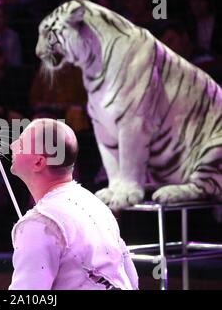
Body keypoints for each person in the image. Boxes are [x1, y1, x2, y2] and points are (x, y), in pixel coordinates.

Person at [8, 118, 139, 290]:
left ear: (39, 162)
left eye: (21, 143)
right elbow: (132, 279)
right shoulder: (97, 206)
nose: (12, 146)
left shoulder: (39, 224)